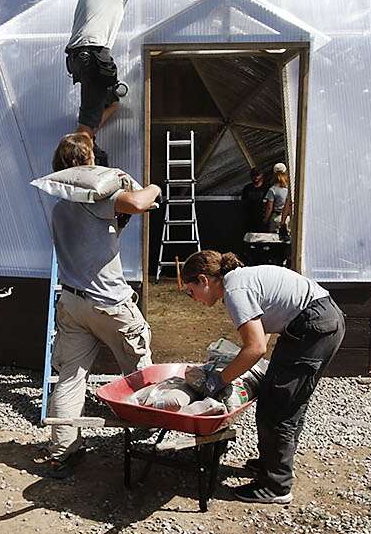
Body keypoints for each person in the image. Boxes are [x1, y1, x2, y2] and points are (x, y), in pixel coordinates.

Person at [180, 250, 343, 506]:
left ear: (203, 280)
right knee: (284, 396)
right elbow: (261, 332)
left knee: (278, 405)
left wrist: (220, 380)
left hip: (314, 326)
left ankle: (276, 485)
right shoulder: (239, 280)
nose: (193, 299)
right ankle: (273, 464)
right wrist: (240, 366)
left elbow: (256, 348)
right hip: (317, 321)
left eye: (190, 292)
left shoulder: (235, 291)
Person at [41, 131, 161, 478]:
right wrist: (153, 187)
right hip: (109, 302)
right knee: (141, 369)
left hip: (73, 304)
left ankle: (62, 451)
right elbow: (139, 203)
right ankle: (150, 433)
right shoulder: (97, 201)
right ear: (85, 162)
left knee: (70, 378)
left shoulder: (60, 208)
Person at [66, 0, 202, 163]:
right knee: (85, 125)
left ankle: (89, 137)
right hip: (94, 54)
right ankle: (77, 161)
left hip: (80, 57)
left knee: (112, 104)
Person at [264, 162, 292, 239]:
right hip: (289, 218)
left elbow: (269, 207)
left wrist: (265, 219)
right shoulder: (290, 189)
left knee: (274, 239)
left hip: (276, 218)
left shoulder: (272, 190)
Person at [239, 168, 267, 239]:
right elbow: (244, 202)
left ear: (261, 175)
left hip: (262, 218)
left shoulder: (266, 187)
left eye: (257, 175)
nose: (255, 177)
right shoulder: (247, 188)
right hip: (250, 218)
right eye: (253, 175)